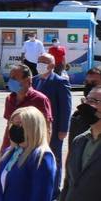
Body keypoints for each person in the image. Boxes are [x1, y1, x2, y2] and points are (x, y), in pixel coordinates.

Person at [32, 51, 72, 186]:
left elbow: (65, 107)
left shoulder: (60, 82)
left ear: (52, 65)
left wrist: (63, 129)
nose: (40, 64)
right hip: (35, 127)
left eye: (43, 62)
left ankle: (54, 189)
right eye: (39, 61)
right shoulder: (34, 80)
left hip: (54, 129)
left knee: (54, 158)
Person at [2, 61, 52, 154]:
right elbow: (8, 127)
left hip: (31, 151)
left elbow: (47, 129)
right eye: (10, 78)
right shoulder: (9, 99)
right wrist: (3, 151)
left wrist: (43, 153)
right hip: (12, 150)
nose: (11, 81)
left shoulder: (40, 99)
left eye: (14, 78)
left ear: (28, 80)